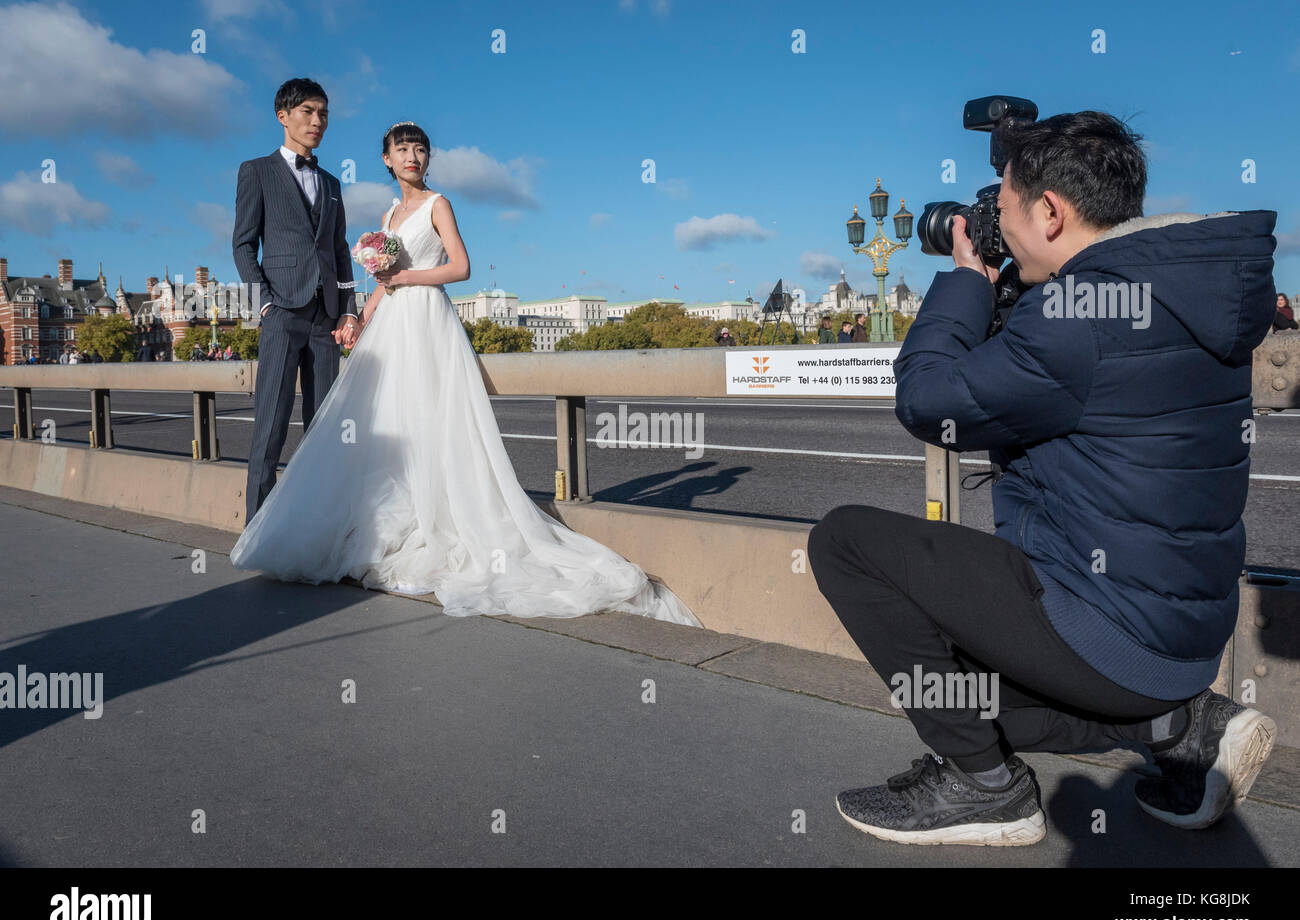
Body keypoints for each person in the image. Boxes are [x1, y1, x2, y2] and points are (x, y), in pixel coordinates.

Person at [808, 110, 1277, 846]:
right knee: (954, 689)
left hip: (1112, 630)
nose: (993, 226)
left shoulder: (1072, 317)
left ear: (1050, 212)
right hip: (1183, 638)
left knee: (846, 544)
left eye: (999, 210)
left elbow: (928, 401)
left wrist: (967, 281)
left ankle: (984, 786)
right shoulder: (1182, 295)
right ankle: (1181, 728)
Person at [230, 121, 700, 628]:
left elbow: (461, 267)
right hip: (391, 325)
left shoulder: (438, 204)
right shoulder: (388, 213)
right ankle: (388, 523)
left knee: (434, 420)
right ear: (386, 160)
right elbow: (380, 285)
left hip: (428, 319)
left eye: (421, 149)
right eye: (402, 149)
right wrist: (358, 321)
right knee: (389, 427)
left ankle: (440, 527)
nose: (413, 156)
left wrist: (405, 276)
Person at [233, 77, 361, 524]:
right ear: (282, 116)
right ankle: (257, 531)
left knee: (324, 429)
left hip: (327, 317)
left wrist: (348, 308)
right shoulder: (256, 171)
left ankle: (318, 528)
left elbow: (340, 251)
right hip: (281, 313)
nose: (317, 121)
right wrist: (264, 305)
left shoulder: (331, 182)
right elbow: (243, 246)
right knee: (269, 424)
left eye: (323, 113)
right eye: (307, 111)